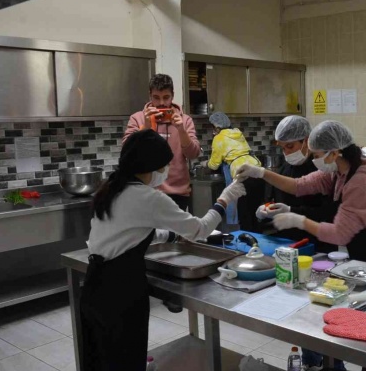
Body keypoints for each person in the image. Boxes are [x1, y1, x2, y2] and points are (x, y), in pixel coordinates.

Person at [81, 129, 245, 371]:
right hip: (120, 295)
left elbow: (131, 231)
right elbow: (199, 230)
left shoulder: (112, 187)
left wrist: (170, 233)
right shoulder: (147, 197)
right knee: (125, 361)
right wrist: (224, 200)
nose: (165, 171)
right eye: (164, 165)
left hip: (95, 288)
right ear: (152, 166)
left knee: (101, 362)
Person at [236, 120, 366, 267]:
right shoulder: (335, 173)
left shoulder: (359, 182)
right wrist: (260, 173)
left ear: (334, 153)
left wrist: (298, 220)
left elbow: (340, 233)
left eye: (317, 155)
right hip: (360, 248)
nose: (315, 160)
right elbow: (298, 185)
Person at [256, 115, 338, 253]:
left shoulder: (323, 169)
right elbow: (273, 200)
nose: (286, 153)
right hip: (287, 244)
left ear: (306, 140)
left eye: (290, 146)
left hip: (317, 245)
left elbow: (329, 214)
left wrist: (291, 211)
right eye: (282, 148)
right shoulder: (285, 168)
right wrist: (264, 213)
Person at [124, 73, 201, 212]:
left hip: (178, 194)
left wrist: (181, 130)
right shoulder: (138, 118)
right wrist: (146, 127)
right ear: (150, 96)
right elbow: (126, 152)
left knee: (176, 234)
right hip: (144, 193)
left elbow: (193, 154)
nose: (161, 103)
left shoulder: (185, 120)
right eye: (156, 98)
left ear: (173, 96)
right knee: (148, 234)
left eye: (166, 97)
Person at [206, 112, 264, 232]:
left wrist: (205, 164)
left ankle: (247, 245)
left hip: (243, 176)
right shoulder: (238, 132)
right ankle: (258, 242)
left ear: (217, 127)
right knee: (256, 214)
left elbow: (214, 164)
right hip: (258, 172)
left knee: (245, 216)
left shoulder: (218, 138)